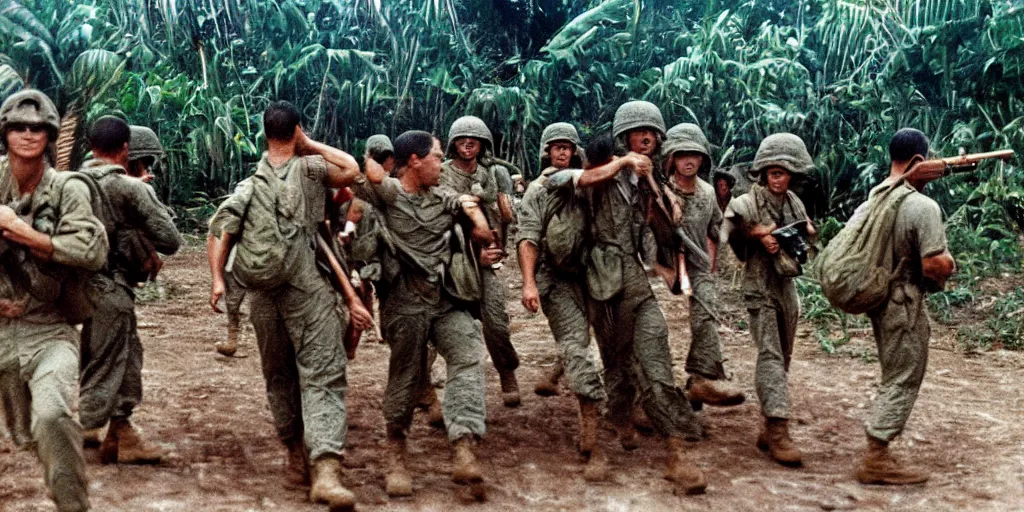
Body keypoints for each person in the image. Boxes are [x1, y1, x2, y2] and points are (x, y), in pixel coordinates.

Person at [207, 101, 373, 511]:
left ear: (263, 133)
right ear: (296, 129)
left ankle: (293, 455)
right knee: (323, 373)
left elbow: (219, 232)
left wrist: (216, 281)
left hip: (261, 295)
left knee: (278, 374)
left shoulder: (248, 186)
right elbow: (352, 169)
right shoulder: (312, 169)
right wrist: (307, 142)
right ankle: (327, 472)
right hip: (307, 290)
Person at [579, 101, 707, 495]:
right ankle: (609, 431)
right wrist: (622, 165)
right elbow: (575, 183)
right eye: (639, 132)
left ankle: (677, 453)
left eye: (652, 132)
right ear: (624, 138)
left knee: (655, 357)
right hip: (599, 281)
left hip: (634, 280)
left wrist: (659, 196)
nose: (647, 137)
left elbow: (666, 235)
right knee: (617, 365)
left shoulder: (652, 183)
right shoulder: (601, 169)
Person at [359, 130, 496, 498]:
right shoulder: (389, 195)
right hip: (404, 304)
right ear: (415, 161)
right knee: (405, 376)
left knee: (468, 357)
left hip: (445, 299)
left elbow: (464, 203)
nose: (442, 162)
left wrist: (479, 223)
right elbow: (363, 173)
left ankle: (464, 446)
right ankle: (396, 451)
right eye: (436, 156)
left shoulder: (442, 195)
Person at [0, 89, 108, 512]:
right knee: (23, 436)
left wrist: (20, 231)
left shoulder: (67, 189)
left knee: (52, 417)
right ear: (5, 133)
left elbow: (91, 250)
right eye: (18, 127)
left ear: (49, 136)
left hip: (49, 329)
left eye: (38, 128)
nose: (28, 135)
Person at [77, 117, 183, 464]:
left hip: (75, 288)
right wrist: (139, 212)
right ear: (125, 149)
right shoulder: (131, 189)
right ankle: (85, 426)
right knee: (110, 359)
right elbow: (170, 241)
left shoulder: (68, 182)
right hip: (112, 285)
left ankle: (122, 433)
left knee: (120, 354)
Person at [854, 128, 955, 485]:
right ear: (919, 161)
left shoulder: (876, 197)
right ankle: (877, 454)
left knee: (894, 368)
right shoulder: (922, 207)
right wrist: (949, 266)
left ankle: (878, 447)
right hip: (905, 302)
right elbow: (933, 264)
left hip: (881, 300)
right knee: (904, 374)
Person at [517, 122, 607, 479]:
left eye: (567, 147)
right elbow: (528, 237)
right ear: (545, 151)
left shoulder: (587, 184)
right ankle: (592, 430)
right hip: (555, 278)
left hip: (593, 274)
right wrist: (528, 283)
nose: (561, 152)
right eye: (555, 147)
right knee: (577, 347)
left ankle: (557, 374)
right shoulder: (539, 189)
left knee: (606, 340)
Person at [722, 133, 817, 467]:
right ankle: (778, 428)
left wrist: (804, 233)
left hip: (785, 285)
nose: (781, 179)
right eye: (775, 173)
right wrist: (756, 234)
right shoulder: (748, 202)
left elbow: (805, 233)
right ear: (763, 173)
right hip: (759, 285)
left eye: (787, 173)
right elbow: (726, 230)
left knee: (785, 355)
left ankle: (767, 422)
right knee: (771, 356)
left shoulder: (793, 202)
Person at [437, 115, 521, 407]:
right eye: (461, 139)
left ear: (483, 144)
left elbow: (504, 217)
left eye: (474, 139)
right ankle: (424, 389)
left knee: (497, 322)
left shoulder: (493, 174)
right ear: (452, 144)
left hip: (484, 263)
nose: (468, 144)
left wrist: (496, 248)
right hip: (450, 262)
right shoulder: (442, 174)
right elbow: (441, 219)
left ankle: (507, 372)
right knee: (431, 328)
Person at [661, 123, 746, 410]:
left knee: (706, 314)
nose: (688, 160)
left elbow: (714, 232)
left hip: (696, 263)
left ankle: (701, 377)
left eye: (694, 155)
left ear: (702, 160)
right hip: (659, 263)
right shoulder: (659, 190)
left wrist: (708, 268)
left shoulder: (708, 193)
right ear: (671, 157)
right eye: (682, 154)